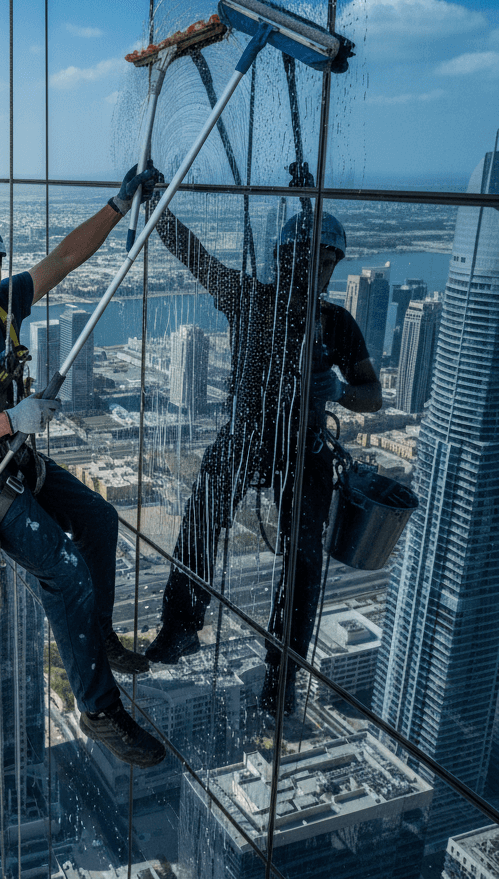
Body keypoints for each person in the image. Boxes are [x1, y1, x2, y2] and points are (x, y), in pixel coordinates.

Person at [0, 169, 167, 768]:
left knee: (99, 518)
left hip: (15, 461)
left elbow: (65, 260)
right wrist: (10, 420)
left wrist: (117, 206)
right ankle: (100, 710)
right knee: (65, 569)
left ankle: (98, 637)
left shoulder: (5, 305)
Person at [144, 206, 382, 713]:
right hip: (251, 435)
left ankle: (282, 673)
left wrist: (338, 390)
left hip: (302, 445)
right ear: (285, 260)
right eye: (308, 261)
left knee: (304, 556)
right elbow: (197, 259)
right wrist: (157, 212)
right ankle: (183, 625)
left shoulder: (335, 324)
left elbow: (372, 395)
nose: (315, 273)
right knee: (207, 505)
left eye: (324, 264)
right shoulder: (252, 297)